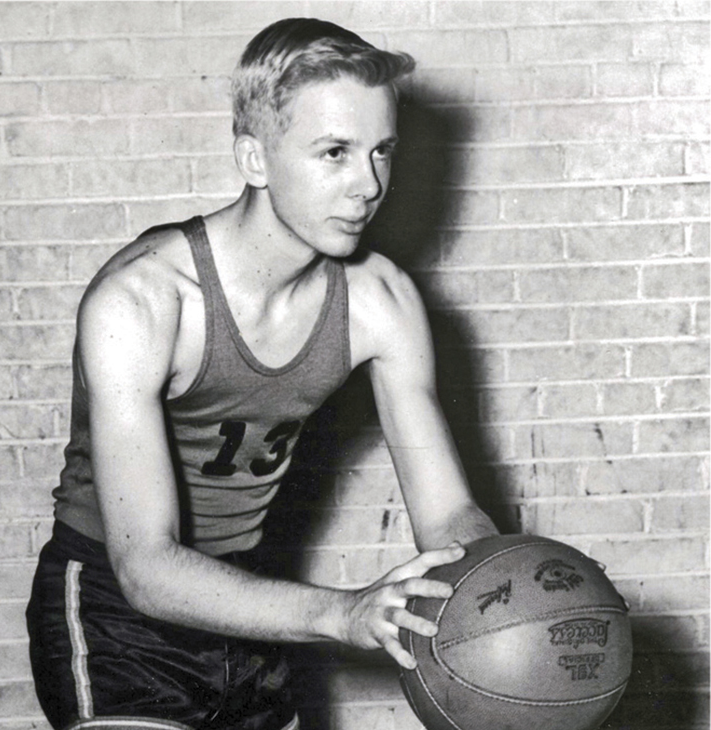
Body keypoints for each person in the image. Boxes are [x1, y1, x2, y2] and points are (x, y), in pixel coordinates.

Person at [26, 17, 498, 730]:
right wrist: (341, 611)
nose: (368, 184)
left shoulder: (381, 302)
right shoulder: (142, 302)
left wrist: (511, 587)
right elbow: (146, 566)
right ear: (254, 158)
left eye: (381, 151)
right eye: (334, 153)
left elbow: (448, 518)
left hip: (252, 606)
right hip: (116, 609)